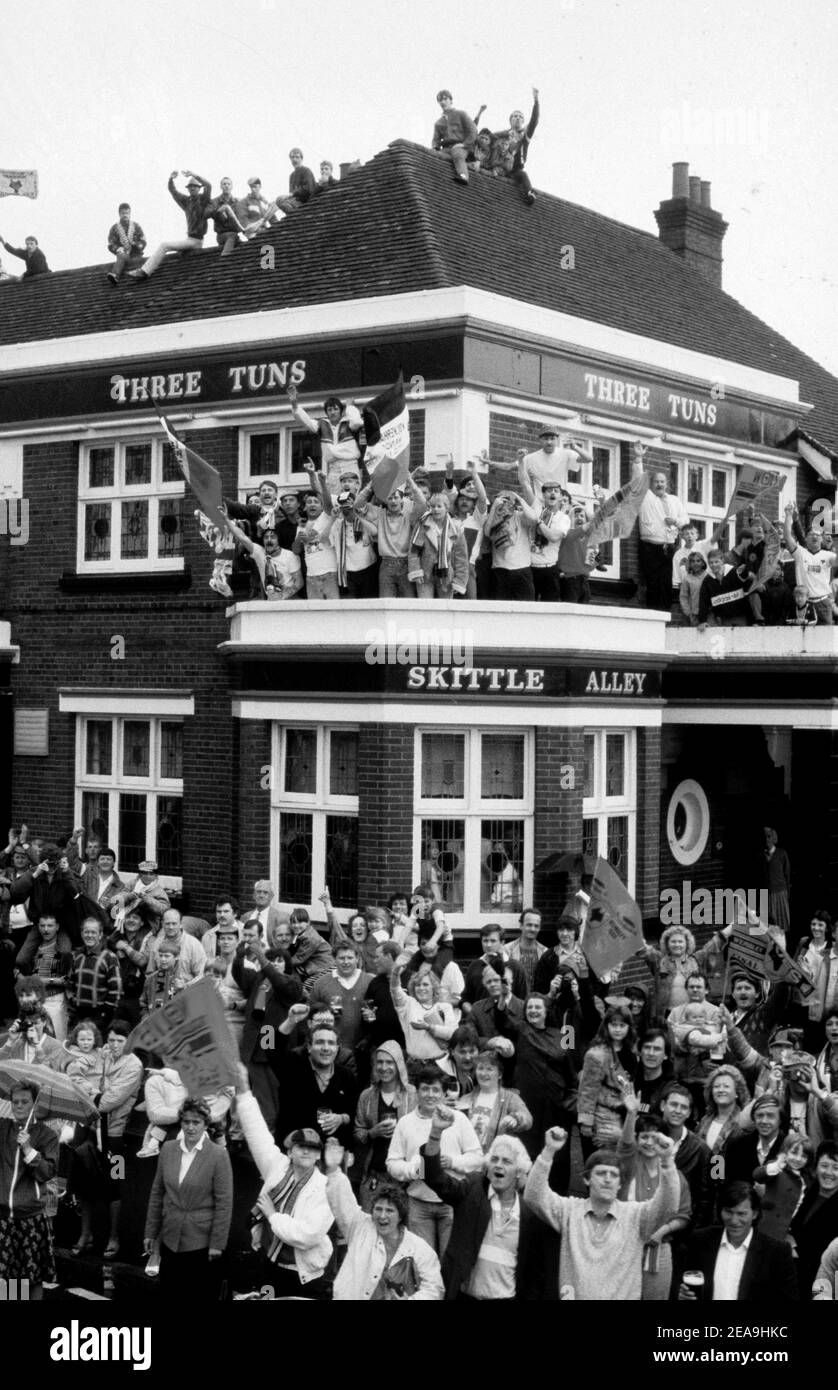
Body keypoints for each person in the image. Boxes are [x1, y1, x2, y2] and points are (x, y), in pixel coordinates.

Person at [525, 1126, 679, 1300]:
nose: (607, 1179)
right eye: (600, 1173)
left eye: (614, 1175)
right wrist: (549, 1150)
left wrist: (667, 1161)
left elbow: (669, 1205)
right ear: (586, 1179)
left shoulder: (636, 1216)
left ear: (620, 1184)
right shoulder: (569, 1210)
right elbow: (534, 1195)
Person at [422, 1112, 558, 1300]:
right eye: (494, 1159)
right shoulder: (472, 1191)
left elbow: (535, 1274)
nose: (498, 1165)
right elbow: (433, 1177)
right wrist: (436, 1132)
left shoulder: (529, 1213)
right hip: (464, 1296)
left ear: (519, 1171)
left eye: (506, 1161)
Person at [234, 1064, 334, 1298]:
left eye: (312, 1149)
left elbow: (307, 1236)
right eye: (300, 1147)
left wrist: (272, 1216)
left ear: (319, 1155)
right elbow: (256, 1130)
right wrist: (244, 1090)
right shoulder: (277, 1166)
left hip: (303, 1276)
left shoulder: (325, 1187)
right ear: (289, 1151)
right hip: (270, 1265)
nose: (306, 1152)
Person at [324, 1143, 443, 1300]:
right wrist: (333, 1171)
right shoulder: (360, 1227)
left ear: (400, 1216)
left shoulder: (420, 1249)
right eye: (378, 1209)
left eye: (390, 1210)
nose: (382, 1216)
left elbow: (435, 1289)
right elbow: (342, 1203)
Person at [143, 1097, 233, 1298]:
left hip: (201, 1244)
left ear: (206, 1125)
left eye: (196, 1122)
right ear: (180, 1123)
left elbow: (224, 1204)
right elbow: (157, 1193)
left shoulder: (219, 1155)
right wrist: (150, 1232)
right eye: (186, 1122)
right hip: (170, 1237)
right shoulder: (167, 1149)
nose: (190, 1127)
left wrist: (217, 1244)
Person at [386, 1071, 483, 1257]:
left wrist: (453, 1162)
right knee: (422, 1261)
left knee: (450, 1259)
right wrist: (413, 1169)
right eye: (425, 1089)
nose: (430, 1094)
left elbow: (477, 1158)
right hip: (418, 1204)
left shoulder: (458, 1119)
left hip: (452, 1203)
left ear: (444, 1093)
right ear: (417, 1092)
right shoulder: (405, 1123)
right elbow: (392, 1162)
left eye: (435, 1090)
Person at [617, 1090, 692, 1300]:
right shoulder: (628, 1166)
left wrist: (660, 1232)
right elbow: (624, 1146)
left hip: (659, 1249)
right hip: (625, 1244)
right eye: (644, 1137)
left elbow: (684, 1215)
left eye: (655, 1137)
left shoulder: (674, 1175)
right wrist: (631, 1114)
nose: (650, 1142)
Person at [677, 1180, 798, 1301]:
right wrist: (679, 1293)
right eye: (728, 1212)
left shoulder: (777, 1252)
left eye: (741, 1214)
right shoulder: (699, 1240)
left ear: (755, 1214)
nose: (734, 1220)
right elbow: (678, 1280)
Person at [0, 1081, 59, 1299]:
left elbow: (47, 1173)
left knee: (31, 1276)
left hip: (30, 1217)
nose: (19, 1106)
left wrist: (28, 1149)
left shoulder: (47, 1135)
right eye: (15, 1102)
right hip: (4, 1217)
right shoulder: (3, 1128)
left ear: (34, 1104)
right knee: (7, 1280)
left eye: (25, 1102)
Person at [354, 1042, 416, 1212]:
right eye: (380, 1062)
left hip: (404, 1179)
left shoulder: (412, 1094)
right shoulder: (367, 1096)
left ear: (399, 1065)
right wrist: (372, 1133)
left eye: (390, 1062)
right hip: (375, 1174)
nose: (384, 1067)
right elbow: (357, 1132)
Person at [129, 170, 213, 280]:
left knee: (165, 245)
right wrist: (171, 179)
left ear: (199, 188)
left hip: (196, 241)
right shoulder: (186, 201)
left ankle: (145, 271)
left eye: (195, 186)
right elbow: (173, 191)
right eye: (190, 186)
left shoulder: (203, 199)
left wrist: (193, 174)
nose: (193, 188)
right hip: (190, 239)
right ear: (188, 189)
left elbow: (209, 185)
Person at [578, 1004, 637, 1153]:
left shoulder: (631, 1052)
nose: (618, 1029)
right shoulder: (596, 1054)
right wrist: (586, 1121)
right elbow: (587, 1089)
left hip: (624, 1113)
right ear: (606, 1026)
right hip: (601, 1115)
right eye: (614, 1025)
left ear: (629, 1027)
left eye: (622, 1025)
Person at [286, 384, 363, 494]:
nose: (332, 412)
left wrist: (350, 407)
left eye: (336, 409)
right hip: (333, 468)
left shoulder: (348, 423)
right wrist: (294, 404)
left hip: (350, 465)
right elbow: (305, 421)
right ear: (326, 412)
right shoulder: (322, 425)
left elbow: (358, 422)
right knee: (334, 499)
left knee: (352, 497)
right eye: (329, 409)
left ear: (341, 411)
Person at [389, 961, 458, 1080]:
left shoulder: (444, 1007)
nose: (421, 988)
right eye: (417, 985)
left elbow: (453, 1034)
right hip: (414, 1067)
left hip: (440, 1064)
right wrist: (395, 973)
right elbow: (395, 989)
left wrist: (428, 1027)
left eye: (425, 984)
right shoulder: (408, 1004)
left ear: (433, 987)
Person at [457, 1049, 532, 1152]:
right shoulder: (465, 1099)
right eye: (480, 1068)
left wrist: (515, 1118)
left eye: (489, 1069)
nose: (484, 1073)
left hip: (494, 1159)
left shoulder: (510, 1098)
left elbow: (527, 1118)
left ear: (500, 1074)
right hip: (468, 1158)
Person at [789, 1140, 838, 1298]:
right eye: (824, 1166)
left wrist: (795, 1248)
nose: (829, 1172)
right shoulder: (810, 1190)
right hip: (793, 1275)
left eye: (836, 1168)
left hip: (819, 1281)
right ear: (816, 1167)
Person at [306, 940, 374, 1052]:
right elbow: (310, 1016)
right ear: (334, 959)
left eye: (350, 958)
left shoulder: (370, 982)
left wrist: (369, 1038)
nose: (346, 962)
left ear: (357, 958)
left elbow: (378, 1016)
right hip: (329, 1048)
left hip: (362, 1048)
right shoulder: (321, 983)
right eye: (341, 958)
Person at [639, 470, 690, 609]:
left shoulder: (674, 500)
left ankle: (665, 616)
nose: (659, 484)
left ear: (667, 484)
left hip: (670, 547)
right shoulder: (646, 497)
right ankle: (653, 616)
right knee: (652, 583)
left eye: (662, 481)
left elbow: (686, 520)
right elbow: (638, 477)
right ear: (651, 484)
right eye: (656, 481)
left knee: (667, 583)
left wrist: (676, 521)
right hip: (650, 547)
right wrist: (638, 459)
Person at [753, 1132, 813, 1246]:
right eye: (794, 1153)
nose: (798, 1159)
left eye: (804, 1156)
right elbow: (757, 1175)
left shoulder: (806, 1179)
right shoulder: (777, 1169)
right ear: (785, 1152)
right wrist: (777, 1164)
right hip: (767, 1228)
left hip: (788, 1233)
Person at [783, 500, 838, 624]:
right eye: (811, 534)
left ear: (821, 539)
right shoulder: (800, 553)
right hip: (804, 603)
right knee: (803, 640)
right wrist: (788, 515)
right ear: (806, 538)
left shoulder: (828, 555)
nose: (814, 536)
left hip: (823, 603)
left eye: (818, 535)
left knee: (825, 639)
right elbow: (787, 537)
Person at [65, 916, 121, 1035]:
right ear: (82, 934)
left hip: (100, 1014)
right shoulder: (77, 956)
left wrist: (105, 1013)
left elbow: (116, 990)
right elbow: (70, 983)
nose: (89, 935)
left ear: (100, 935)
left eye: (93, 932)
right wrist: (73, 1001)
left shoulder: (109, 957)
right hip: (79, 1013)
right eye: (86, 932)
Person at [493, 90, 540, 204]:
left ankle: (529, 193)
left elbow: (534, 121)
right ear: (510, 120)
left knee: (523, 175)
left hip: (515, 170)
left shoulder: (525, 136)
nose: (518, 118)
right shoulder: (503, 134)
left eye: (520, 117)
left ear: (523, 121)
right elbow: (488, 137)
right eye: (515, 116)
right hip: (501, 167)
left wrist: (536, 101)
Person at [431, 90, 477, 184]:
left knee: (457, 154)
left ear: (451, 100)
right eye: (440, 100)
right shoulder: (439, 123)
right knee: (435, 157)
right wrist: (435, 149)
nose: (443, 102)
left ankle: (463, 176)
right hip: (446, 148)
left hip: (461, 146)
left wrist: (464, 144)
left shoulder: (461, 114)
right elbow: (436, 139)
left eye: (445, 99)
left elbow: (473, 130)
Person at [759, 826, 791, 934]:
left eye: (769, 836)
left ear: (774, 838)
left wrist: (787, 893)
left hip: (779, 893)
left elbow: (787, 874)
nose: (766, 839)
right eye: (764, 837)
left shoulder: (782, 854)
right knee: (766, 925)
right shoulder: (760, 855)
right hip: (765, 894)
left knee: (781, 924)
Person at [207, 176, 247, 257]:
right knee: (232, 236)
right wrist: (218, 211)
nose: (226, 186)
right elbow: (208, 214)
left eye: (228, 184)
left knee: (245, 247)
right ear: (221, 186)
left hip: (235, 235)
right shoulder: (214, 202)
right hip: (222, 235)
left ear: (232, 186)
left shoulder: (238, 202)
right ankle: (224, 259)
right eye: (224, 184)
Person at [106, 204, 146, 284]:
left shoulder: (136, 226)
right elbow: (111, 244)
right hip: (124, 255)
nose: (125, 215)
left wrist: (135, 244)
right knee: (121, 256)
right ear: (119, 214)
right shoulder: (115, 228)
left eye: (127, 213)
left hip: (136, 255)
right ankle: (115, 275)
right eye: (123, 213)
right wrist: (118, 249)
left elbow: (143, 241)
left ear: (130, 214)